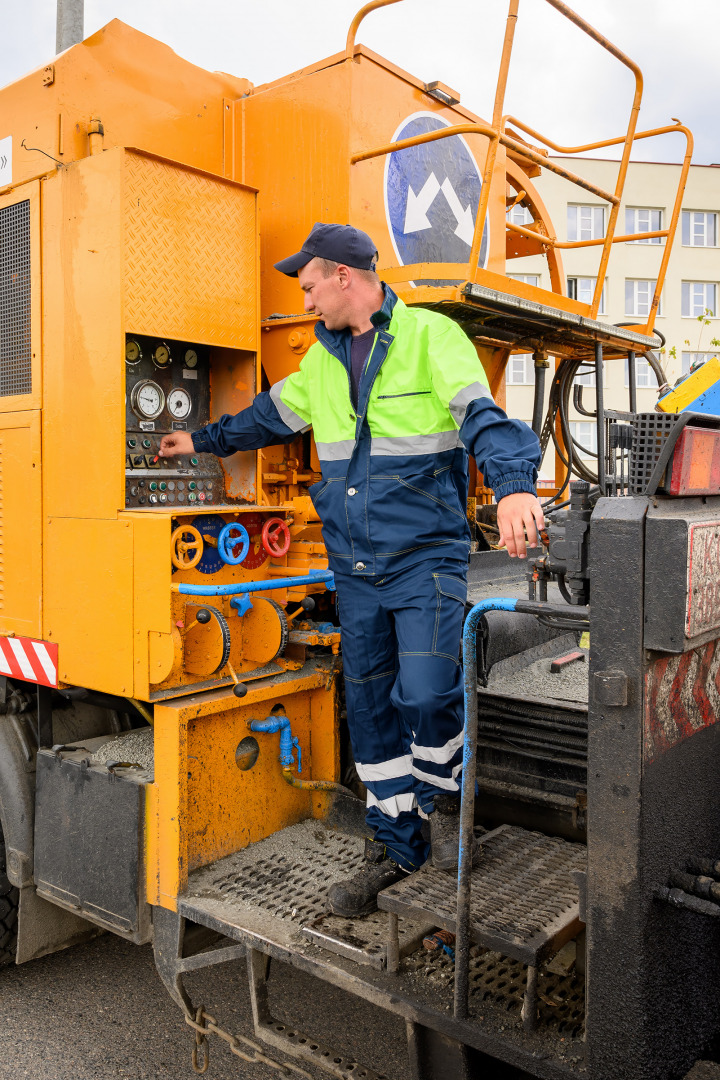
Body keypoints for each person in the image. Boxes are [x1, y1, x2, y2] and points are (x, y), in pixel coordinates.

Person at [159, 222, 544, 918]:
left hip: (425, 559)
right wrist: (202, 441)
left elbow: (483, 418)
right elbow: (266, 419)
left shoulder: (430, 338)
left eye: (308, 285)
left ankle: (448, 809)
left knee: (427, 696)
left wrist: (514, 483)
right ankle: (396, 843)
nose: (304, 300)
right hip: (357, 571)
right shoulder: (319, 366)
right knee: (368, 711)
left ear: (343, 275)